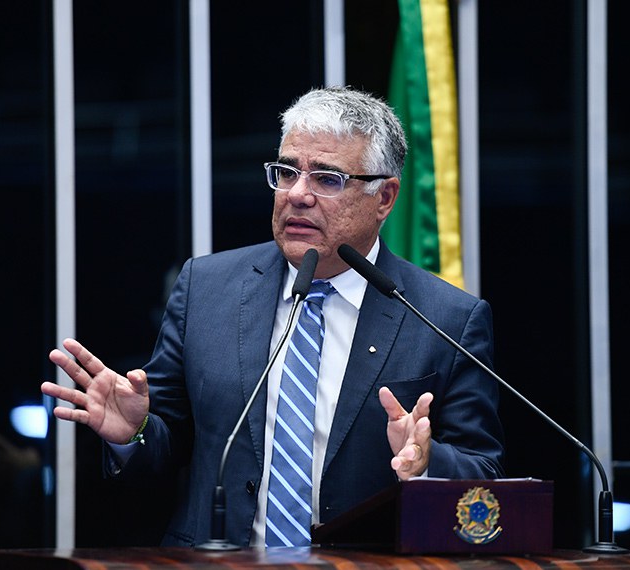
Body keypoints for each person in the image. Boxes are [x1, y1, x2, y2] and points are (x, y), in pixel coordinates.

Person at [41, 86, 504, 548]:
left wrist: (427, 463)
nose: (298, 195)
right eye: (287, 172)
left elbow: (483, 474)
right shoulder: (206, 288)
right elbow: (167, 445)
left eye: (327, 179)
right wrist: (134, 433)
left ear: (384, 197)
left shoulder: (445, 318)